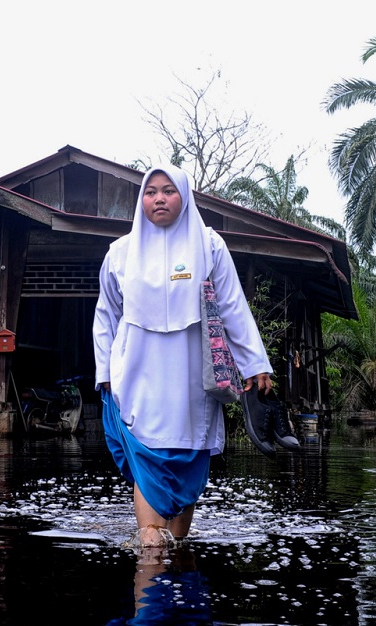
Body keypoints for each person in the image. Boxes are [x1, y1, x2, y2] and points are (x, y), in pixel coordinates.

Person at [93, 164, 274, 549]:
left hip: (193, 379)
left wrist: (256, 363)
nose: (159, 198)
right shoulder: (119, 254)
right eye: (151, 191)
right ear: (141, 200)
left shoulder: (209, 245)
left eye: (168, 191)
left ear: (185, 196)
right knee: (148, 464)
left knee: (190, 462)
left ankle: (175, 557)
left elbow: (233, 307)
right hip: (138, 375)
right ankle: (150, 556)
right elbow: (105, 316)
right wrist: (104, 372)